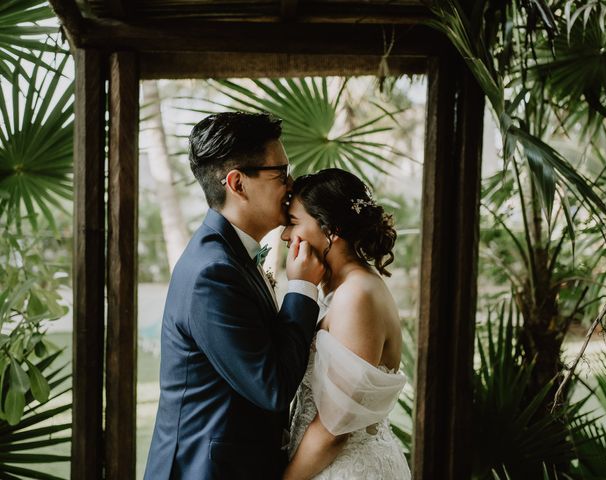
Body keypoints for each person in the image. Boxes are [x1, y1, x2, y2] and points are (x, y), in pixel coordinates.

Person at [144, 112, 325, 480]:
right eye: (280, 173)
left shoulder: (230, 254)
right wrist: (302, 288)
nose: (291, 184)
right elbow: (271, 387)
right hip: (205, 470)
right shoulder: (213, 272)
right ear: (237, 183)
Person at [281, 168, 411, 479]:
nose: (286, 235)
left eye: (294, 223)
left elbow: (334, 430)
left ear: (331, 229)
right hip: (317, 464)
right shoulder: (332, 287)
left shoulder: (357, 294)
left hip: (347, 468)